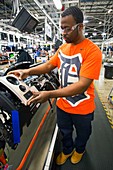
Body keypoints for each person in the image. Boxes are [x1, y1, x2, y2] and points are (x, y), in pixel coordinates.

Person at [8, 6, 102, 165]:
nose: (63, 33)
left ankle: (80, 150)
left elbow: (82, 86)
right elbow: (48, 66)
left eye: (67, 28)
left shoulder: (92, 51)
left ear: (80, 27)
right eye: (62, 28)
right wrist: (27, 72)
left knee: (83, 133)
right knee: (65, 132)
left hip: (83, 107)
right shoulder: (63, 48)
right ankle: (67, 150)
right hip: (63, 105)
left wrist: (49, 94)